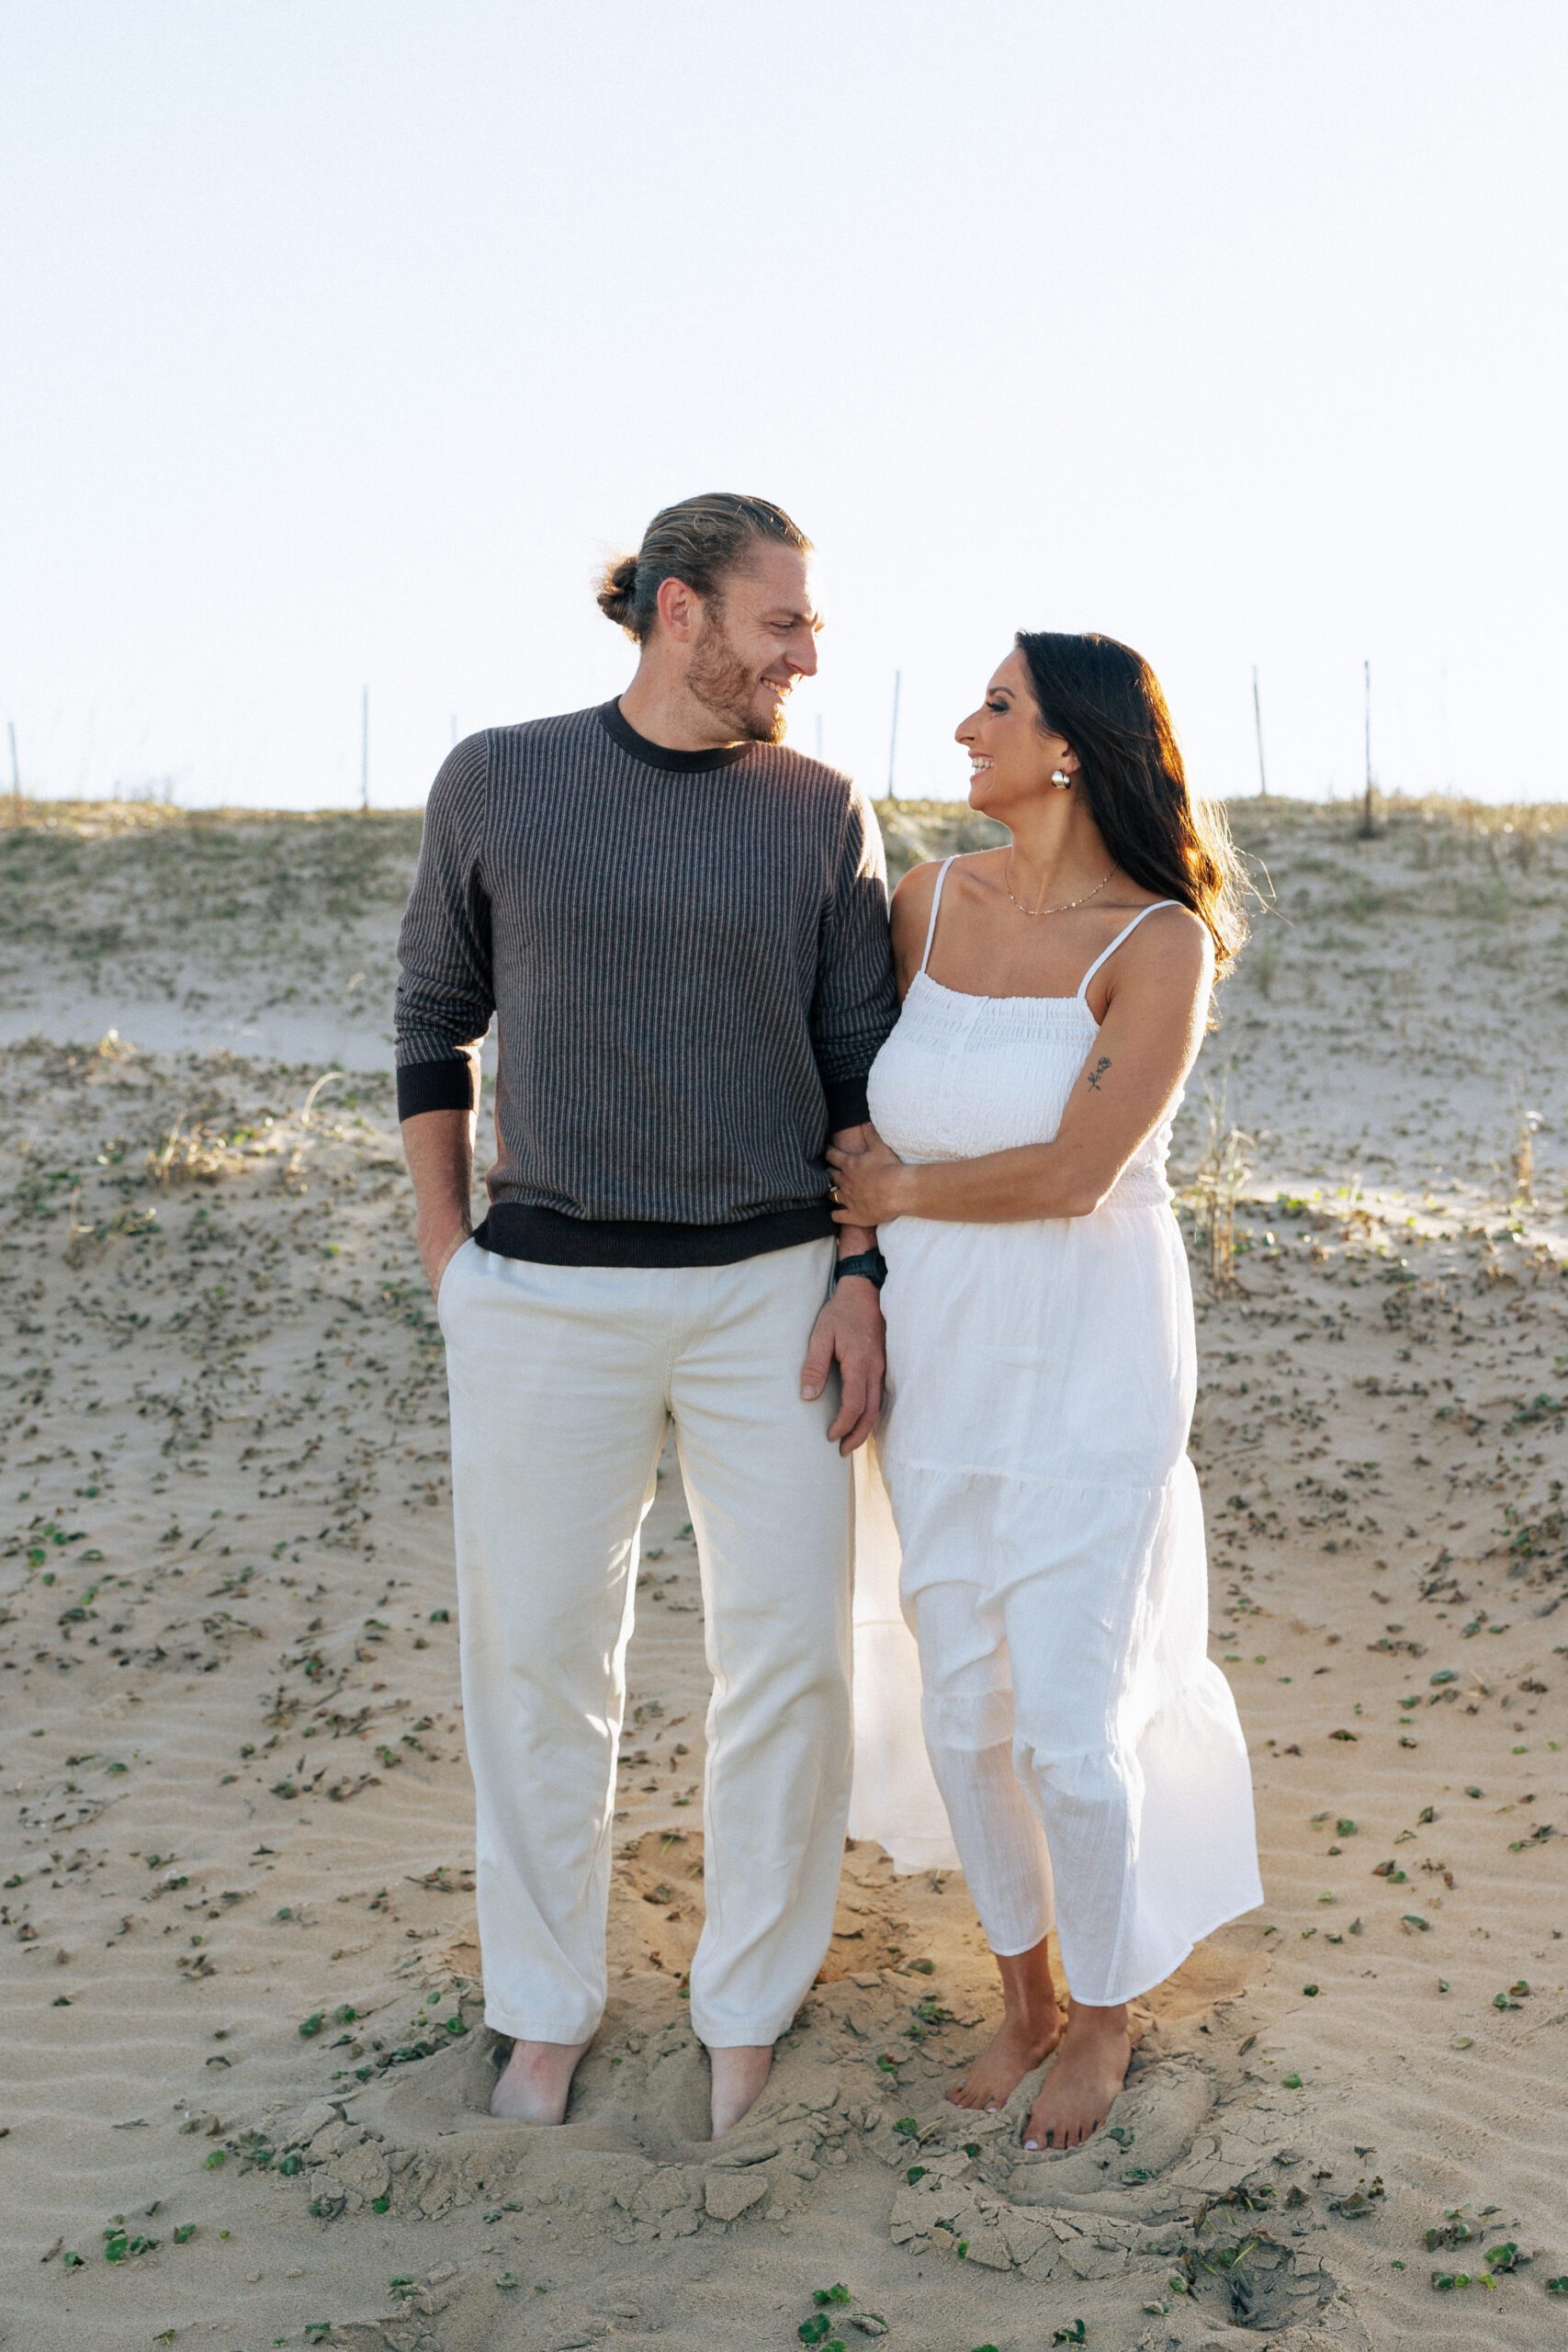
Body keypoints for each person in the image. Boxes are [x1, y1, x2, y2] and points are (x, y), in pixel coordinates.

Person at [394, 493, 897, 2138]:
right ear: (681, 612)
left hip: (768, 1294)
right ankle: (543, 2009)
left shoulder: (824, 811)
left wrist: (856, 1278)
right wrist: (448, 1257)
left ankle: (745, 2001)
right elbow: (430, 1018)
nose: (807, 657)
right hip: (542, 1296)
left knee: (791, 1661)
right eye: (783, 625)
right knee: (539, 1664)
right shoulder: (499, 778)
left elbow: (858, 1080)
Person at [830, 630, 1263, 2155]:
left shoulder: (1158, 944)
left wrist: (901, 1187)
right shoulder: (924, 902)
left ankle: (1105, 2013)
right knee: (966, 1701)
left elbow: (1083, 1173)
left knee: (1073, 1719)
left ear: (1071, 744)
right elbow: (849, 1126)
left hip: (1091, 1355)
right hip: (942, 1346)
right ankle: (1021, 1992)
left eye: (998, 707)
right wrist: (860, 1259)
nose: (966, 726)